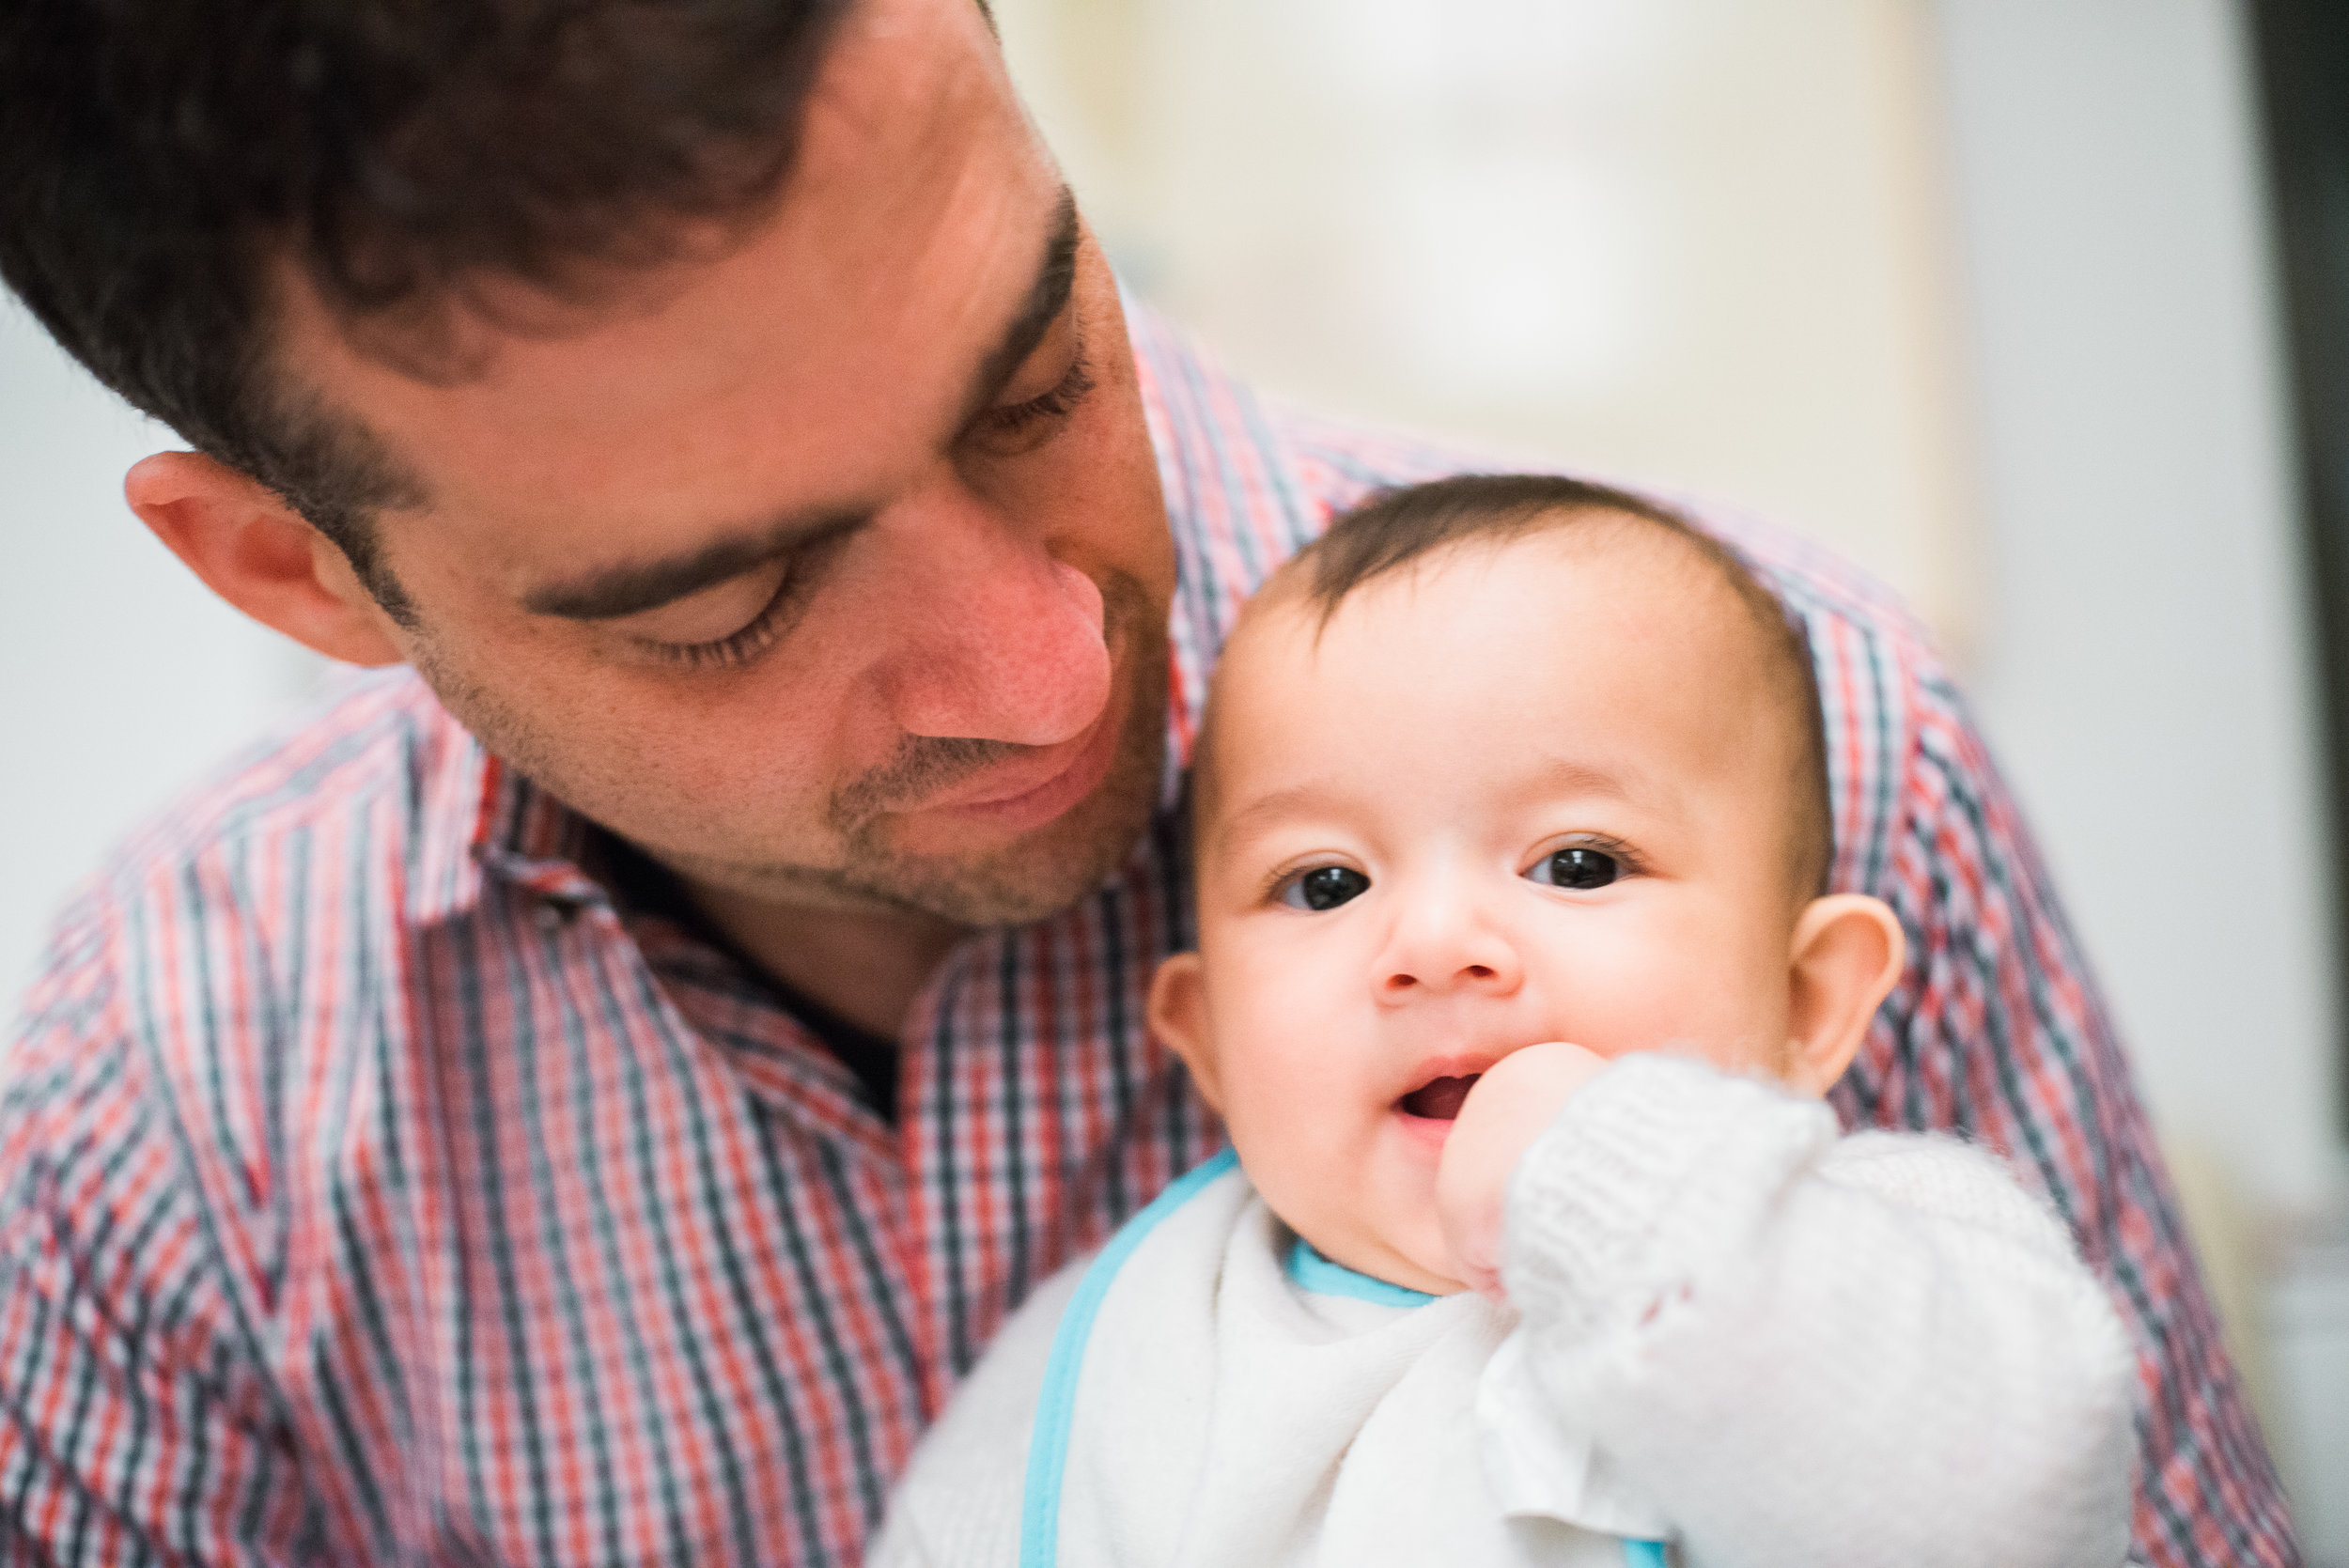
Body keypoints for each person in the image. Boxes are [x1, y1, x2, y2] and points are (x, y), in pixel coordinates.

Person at [0, 0, 2290, 1564]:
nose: (1052, 670)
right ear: (294, 568)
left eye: (1031, 377)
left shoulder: (1796, 760)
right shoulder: (162, 1132)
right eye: (728, 601)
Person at [870, 474, 2139, 1568]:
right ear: (1207, 1040)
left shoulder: (1886, 1250)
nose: (1429, 946)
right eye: (1325, 882)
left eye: (1578, 863)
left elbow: (2015, 1505)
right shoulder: (1109, 1354)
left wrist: (1614, 1177)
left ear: (1811, 1000)